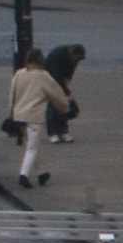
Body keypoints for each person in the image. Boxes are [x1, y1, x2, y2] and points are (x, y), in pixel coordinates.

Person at [7, 49, 72, 189]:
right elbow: (56, 93)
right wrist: (65, 107)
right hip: (34, 116)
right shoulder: (43, 76)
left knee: (34, 145)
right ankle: (23, 175)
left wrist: (11, 113)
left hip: (19, 115)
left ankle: (43, 173)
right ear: (40, 60)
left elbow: (12, 94)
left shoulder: (19, 74)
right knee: (32, 148)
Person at [44, 42, 85, 147]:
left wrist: (67, 83)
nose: (76, 62)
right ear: (71, 54)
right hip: (49, 78)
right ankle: (53, 133)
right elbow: (56, 77)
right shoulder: (57, 56)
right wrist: (67, 93)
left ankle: (63, 131)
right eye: (75, 59)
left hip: (61, 79)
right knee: (53, 106)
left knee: (64, 107)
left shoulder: (74, 59)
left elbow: (70, 71)